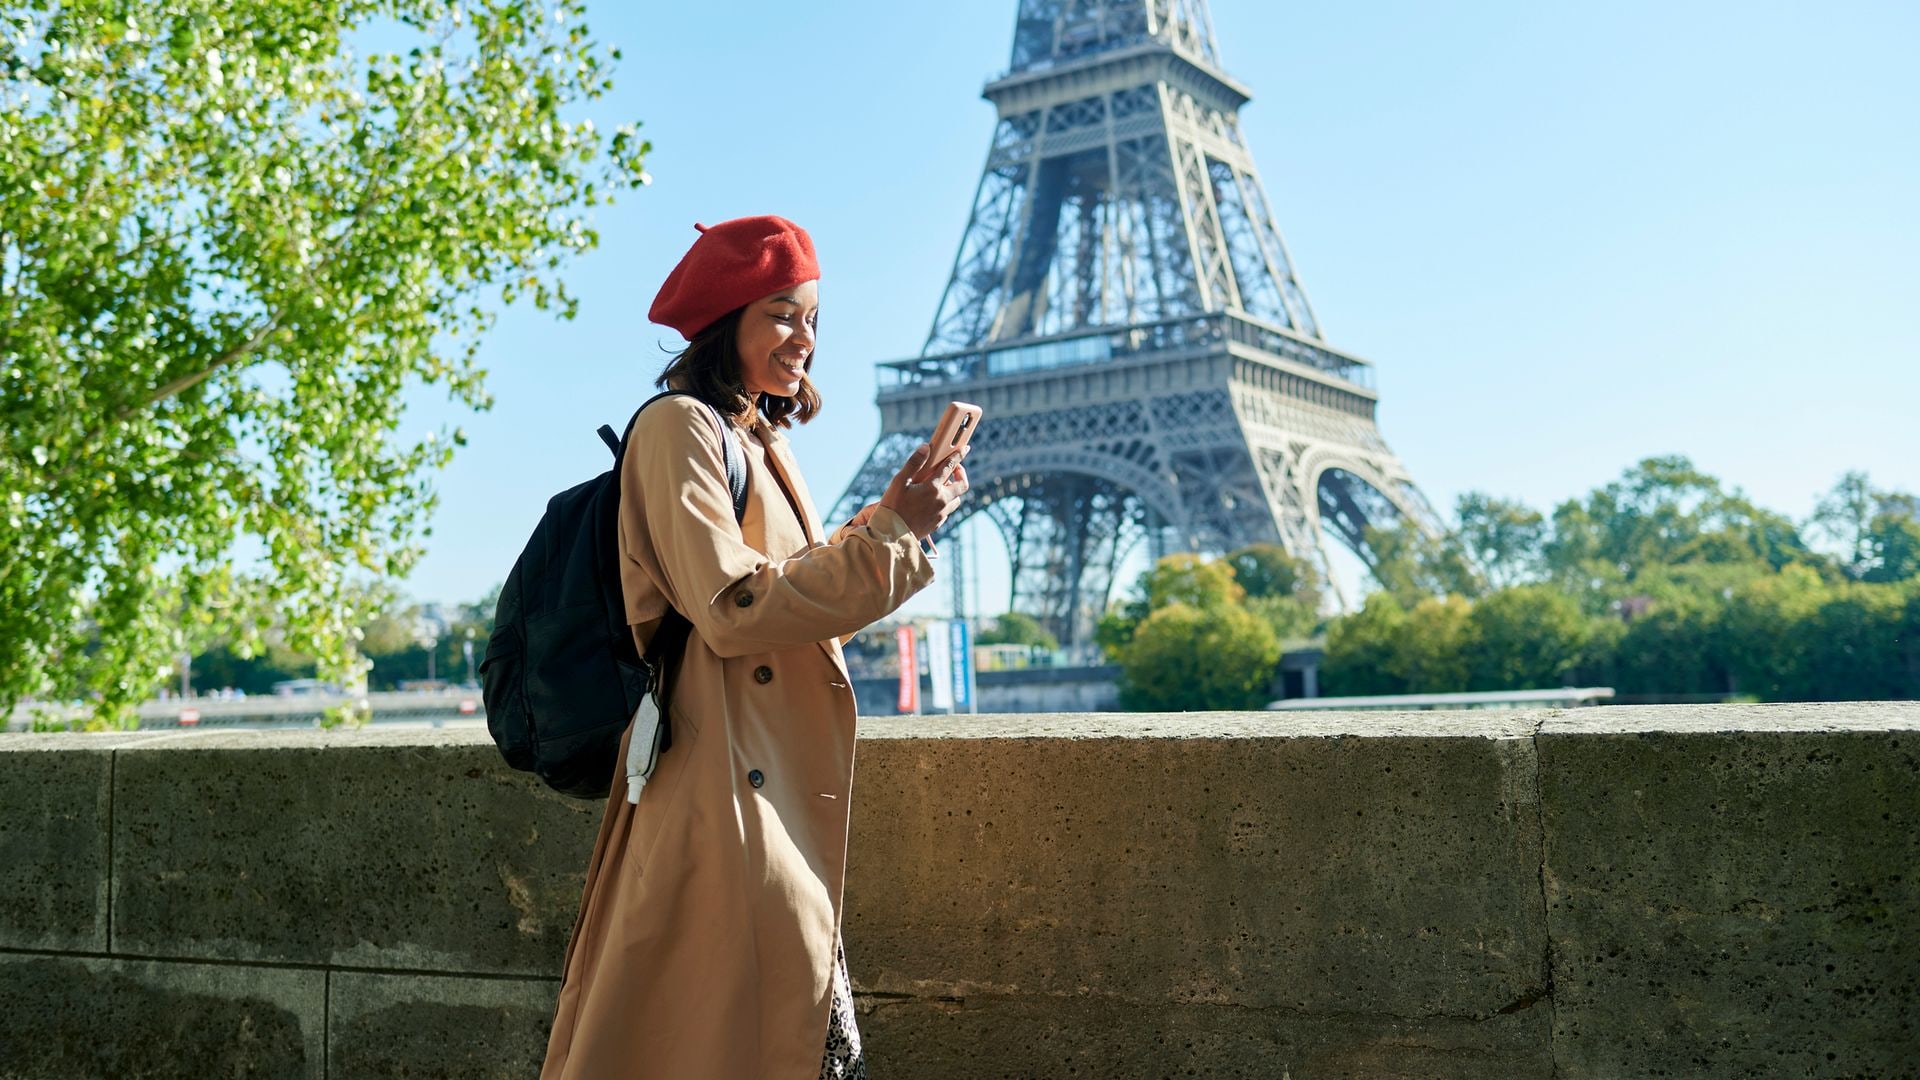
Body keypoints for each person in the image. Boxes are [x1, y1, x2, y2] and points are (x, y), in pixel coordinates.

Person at [540, 216, 969, 1079]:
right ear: (724, 321)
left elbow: (799, 614)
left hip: (768, 795)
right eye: (781, 313)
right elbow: (734, 608)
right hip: (723, 790)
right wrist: (887, 536)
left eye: (812, 318)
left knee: (796, 1042)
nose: (804, 338)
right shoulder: (678, 429)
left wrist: (891, 526)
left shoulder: (763, 443)